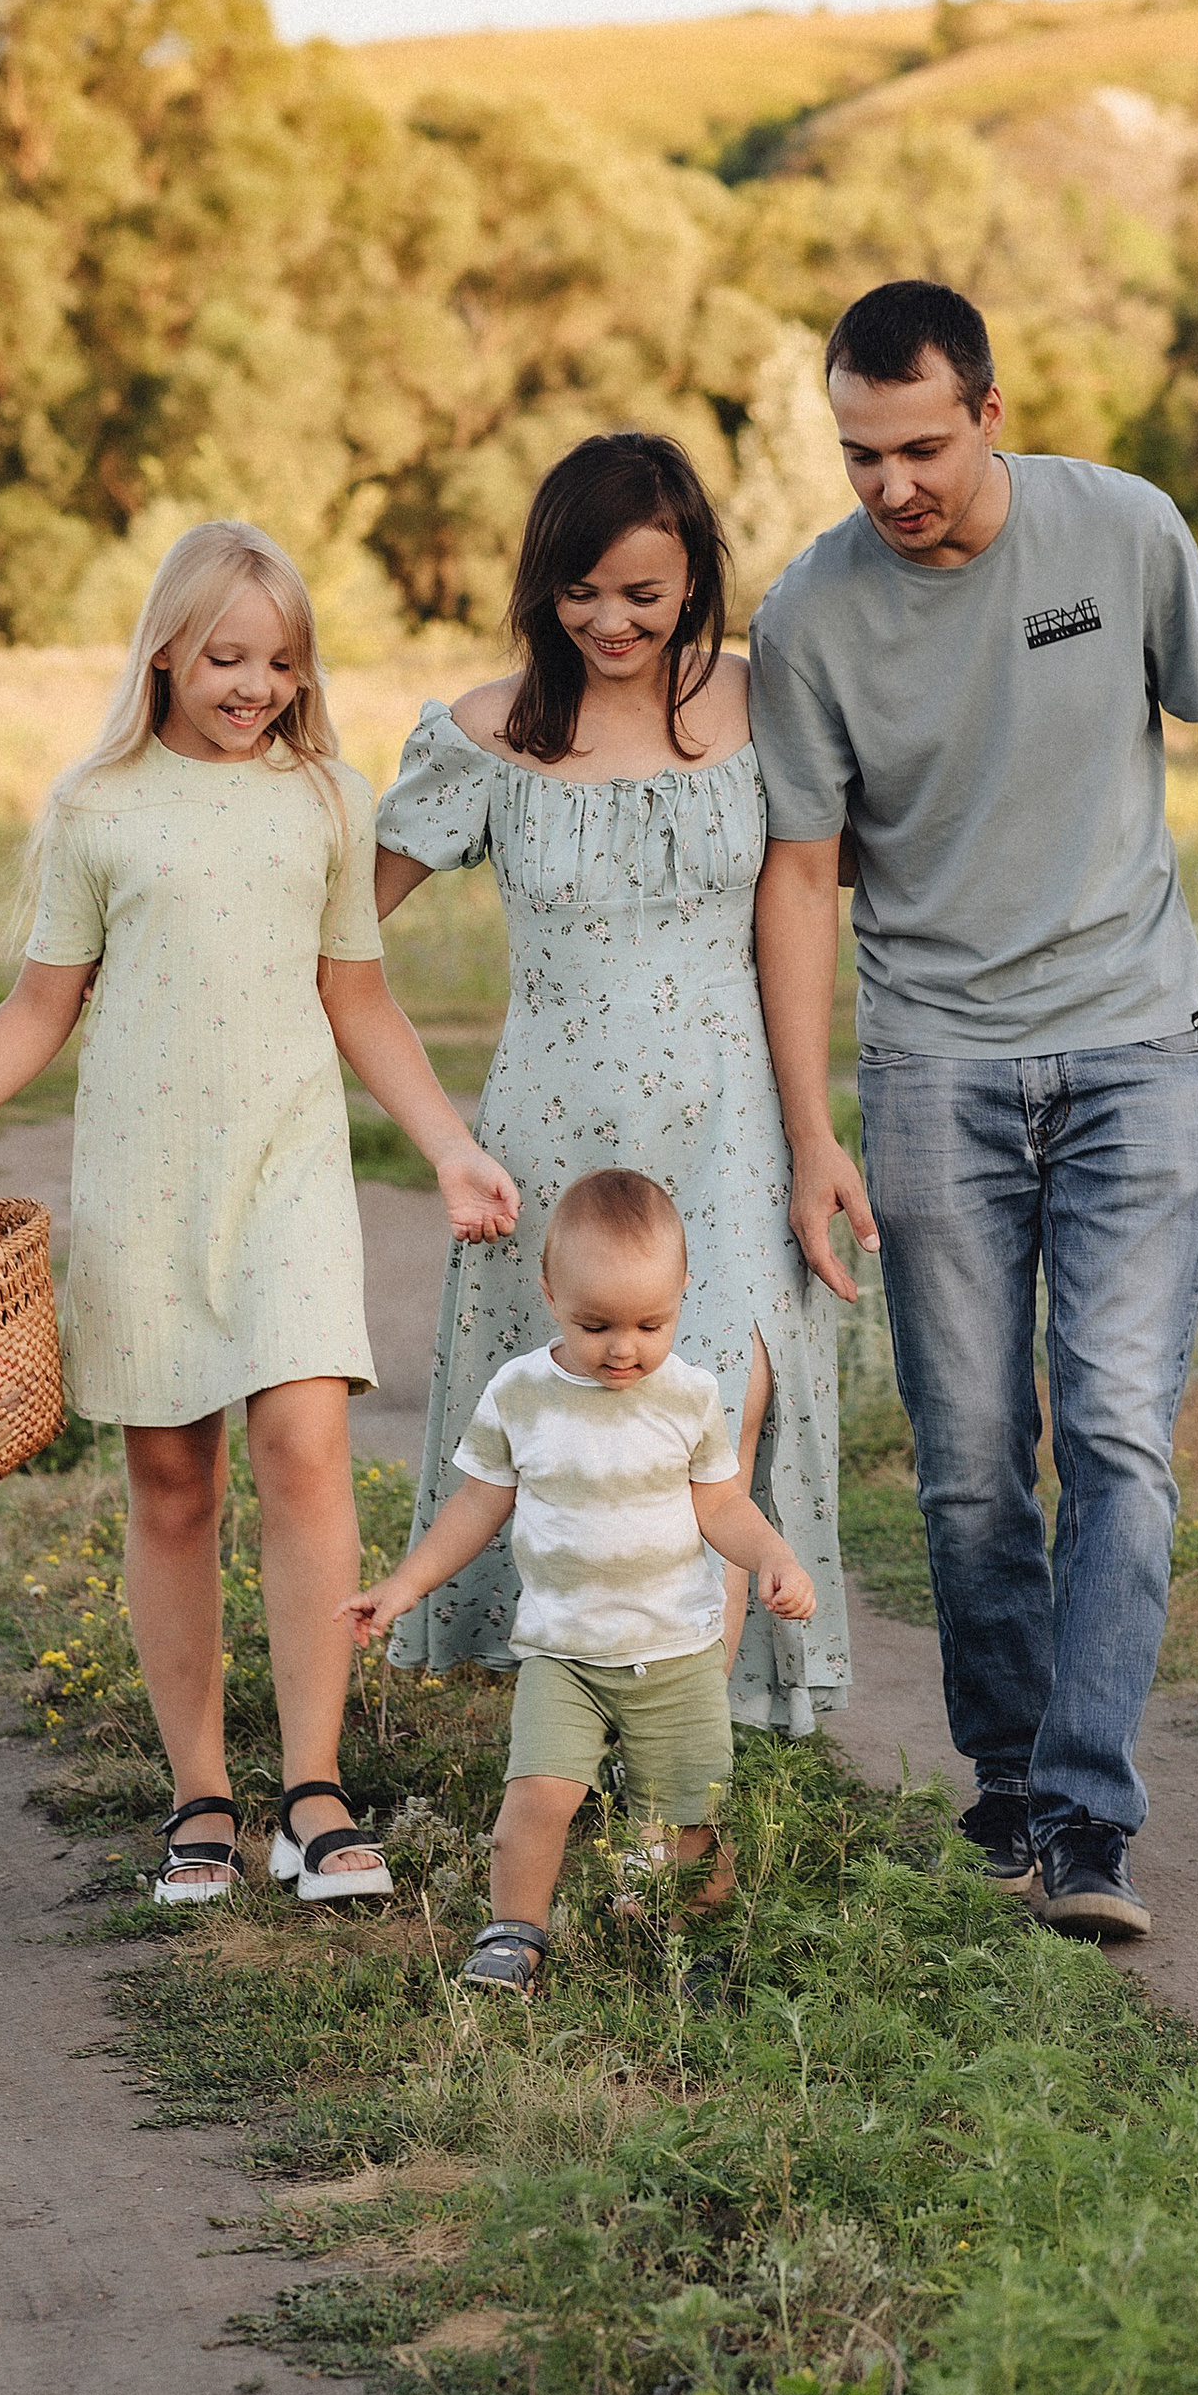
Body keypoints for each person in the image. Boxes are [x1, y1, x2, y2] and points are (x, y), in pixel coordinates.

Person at [749, 280, 1198, 1944]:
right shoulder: (810, 615)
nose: (892, 484)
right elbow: (803, 873)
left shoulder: (1121, 529)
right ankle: (1008, 1780)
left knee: (1118, 1431)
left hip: (1138, 1054)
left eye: (921, 445)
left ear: (991, 410)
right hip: (937, 1067)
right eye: (860, 453)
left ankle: (1088, 1814)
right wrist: (812, 1127)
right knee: (972, 1470)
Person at [0, 519, 518, 1910]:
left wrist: (452, 1147)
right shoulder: (99, 806)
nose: (254, 685)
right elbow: (42, 1001)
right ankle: (201, 1796)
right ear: (164, 650)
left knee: (307, 1451)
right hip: (143, 1182)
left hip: (287, 1173)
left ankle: (314, 1791)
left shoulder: (327, 798)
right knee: (173, 1484)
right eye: (226, 657)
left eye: (280, 661)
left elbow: (359, 997)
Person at [373, 429, 849, 1736]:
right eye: (579, 591)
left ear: (695, 578)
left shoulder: (758, 703)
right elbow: (340, 935)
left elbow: (807, 897)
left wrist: (817, 1135)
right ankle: (574, 1724)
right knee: (574, 1435)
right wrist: (436, 1130)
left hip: (730, 1129)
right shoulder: (488, 733)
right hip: (553, 1143)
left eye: (642, 592)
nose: (609, 621)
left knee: (714, 1427)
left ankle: (689, 1761)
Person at [340, 1169, 817, 1994]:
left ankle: (691, 1946)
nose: (623, 1349)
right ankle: (514, 1934)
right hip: (563, 1653)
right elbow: (477, 1504)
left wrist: (773, 1556)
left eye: (650, 1324)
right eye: (595, 1325)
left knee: (689, 1817)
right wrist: (404, 1584)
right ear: (550, 1292)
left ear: (683, 1290)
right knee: (536, 1797)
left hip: (676, 1653)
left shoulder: (691, 1396)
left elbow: (721, 1504)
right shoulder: (521, 1394)